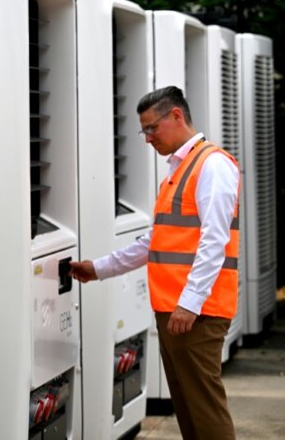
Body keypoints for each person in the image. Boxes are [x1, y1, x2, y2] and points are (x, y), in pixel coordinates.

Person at [70, 85, 239, 440]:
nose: (147, 138)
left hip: (197, 313)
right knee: (191, 409)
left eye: (152, 128)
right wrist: (99, 269)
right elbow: (155, 242)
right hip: (176, 312)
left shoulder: (212, 166)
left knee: (205, 411)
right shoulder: (177, 172)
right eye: (143, 130)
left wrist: (189, 304)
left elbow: (214, 242)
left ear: (176, 116)